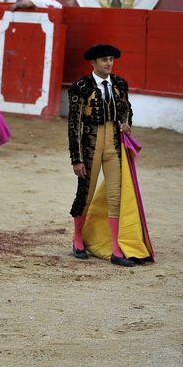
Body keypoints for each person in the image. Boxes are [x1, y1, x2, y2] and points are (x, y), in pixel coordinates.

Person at [67, 44, 136, 267]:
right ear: (93, 64)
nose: (109, 63)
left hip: (113, 146)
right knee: (85, 193)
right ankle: (78, 239)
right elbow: (73, 125)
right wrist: (76, 158)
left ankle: (116, 248)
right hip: (90, 146)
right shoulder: (81, 87)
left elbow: (127, 110)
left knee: (116, 195)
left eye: (111, 59)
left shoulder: (119, 84)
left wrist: (127, 124)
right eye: (104, 60)